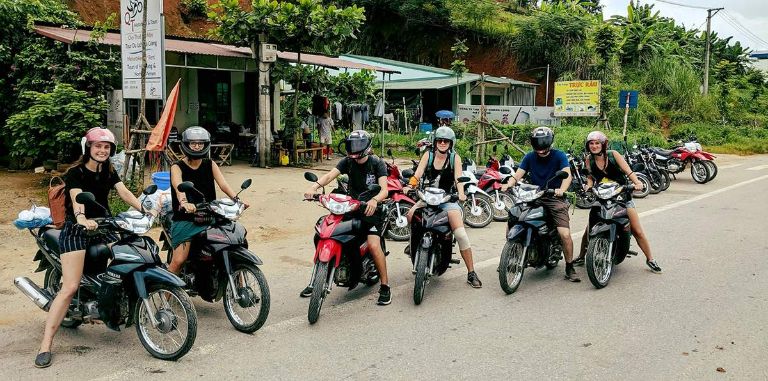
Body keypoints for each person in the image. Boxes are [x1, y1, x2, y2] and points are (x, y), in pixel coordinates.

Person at [35, 128, 152, 368]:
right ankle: (46, 344)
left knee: (129, 255)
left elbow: (124, 192)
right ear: (88, 148)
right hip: (78, 230)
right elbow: (77, 197)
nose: (102, 150)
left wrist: (143, 209)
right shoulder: (75, 173)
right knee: (69, 287)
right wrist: (80, 218)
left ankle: (108, 303)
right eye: (98, 146)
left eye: (107, 147)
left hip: (105, 226)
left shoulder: (109, 170)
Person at [301, 130, 392, 305]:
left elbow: (384, 190)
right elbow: (328, 176)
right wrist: (313, 188)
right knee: (322, 233)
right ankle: (317, 280)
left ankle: (385, 286)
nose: (354, 149)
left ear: (367, 147)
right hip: (350, 206)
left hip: (371, 210)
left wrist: (374, 201)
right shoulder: (347, 162)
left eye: (358, 145)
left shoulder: (377, 163)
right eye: (351, 145)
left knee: (373, 245)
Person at [405, 126, 483, 288]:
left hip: (447, 199)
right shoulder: (428, 155)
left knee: (461, 235)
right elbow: (418, 174)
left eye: (445, 141)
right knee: (410, 215)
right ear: (435, 142)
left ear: (451, 143)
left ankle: (471, 272)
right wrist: (410, 185)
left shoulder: (455, 158)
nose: (442, 143)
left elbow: (458, 179)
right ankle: (413, 243)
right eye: (439, 140)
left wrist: (461, 194)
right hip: (428, 197)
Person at [575, 131, 662, 273]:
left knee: (637, 230)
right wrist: (588, 186)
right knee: (589, 228)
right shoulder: (588, 159)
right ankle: (581, 256)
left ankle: (650, 259)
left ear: (603, 145)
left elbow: (628, 171)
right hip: (602, 197)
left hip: (622, 195)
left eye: (597, 143)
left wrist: (637, 183)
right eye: (591, 143)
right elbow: (590, 177)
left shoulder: (613, 154)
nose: (594, 146)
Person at [168, 126, 248, 275]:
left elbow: (223, 184)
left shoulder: (210, 164)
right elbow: (179, 187)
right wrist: (185, 203)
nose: (197, 146)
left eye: (200, 143)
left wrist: (237, 200)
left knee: (234, 240)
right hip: (186, 218)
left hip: (210, 214)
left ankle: (240, 285)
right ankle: (165, 293)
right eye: (193, 143)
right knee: (179, 260)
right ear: (186, 145)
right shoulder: (177, 167)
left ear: (206, 144)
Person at [503, 126, 580, 282]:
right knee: (514, 215)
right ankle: (510, 254)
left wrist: (561, 190)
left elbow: (567, 175)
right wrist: (509, 184)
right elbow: (518, 174)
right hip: (533, 195)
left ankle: (569, 266)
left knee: (564, 234)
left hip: (553, 197)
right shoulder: (530, 157)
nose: (540, 147)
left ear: (550, 142)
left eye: (543, 142)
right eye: (537, 143)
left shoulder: (559, 156)